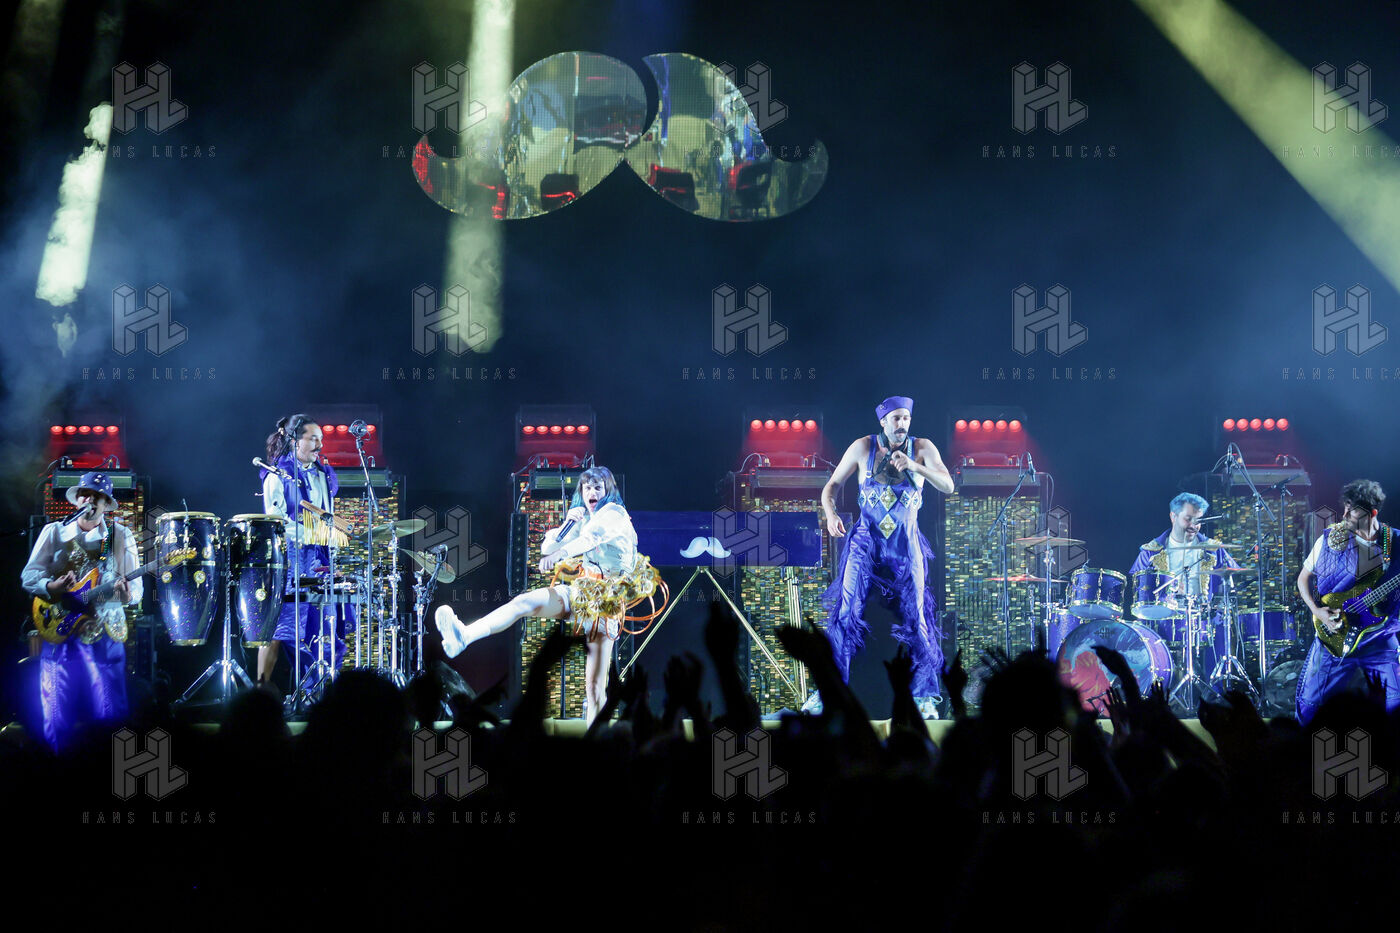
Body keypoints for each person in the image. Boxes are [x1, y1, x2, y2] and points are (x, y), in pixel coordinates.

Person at [435, 466, 656, 725]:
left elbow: (589, 541)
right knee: (523, 602)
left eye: (598, 487)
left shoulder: (614, 514)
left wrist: (561, 554)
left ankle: (597, 741)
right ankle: (464, 636)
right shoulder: (585, 518)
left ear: (608, 490)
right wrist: (567, 525)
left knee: (595, 687)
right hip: (582, 590)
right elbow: (547, 547)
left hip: (606, 602)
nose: (592, 493)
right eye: (587, 488)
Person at [817, 396, 953, 719]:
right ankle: (827, 696)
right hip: (866, 543)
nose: (902, 424)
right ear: (883, 421)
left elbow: (948, 485)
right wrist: (830, 513)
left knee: (917, 618)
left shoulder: (922, 448)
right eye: (896, 418)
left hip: (905, 545)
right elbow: (831, 486)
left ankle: (924, 698)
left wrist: (915, 467)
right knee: (845, 615)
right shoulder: (863, 447)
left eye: (906, 418)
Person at [21, 471, 141, 749]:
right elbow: (29, 576)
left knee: (111, 710)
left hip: (105, 631)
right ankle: (56, 762)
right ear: (77, 500)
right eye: (85, 494)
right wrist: (51, 586)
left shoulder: (120, 535)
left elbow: (136, 591)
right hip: (61, 628)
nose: (90, 500)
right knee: (56, 708)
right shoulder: (54, 532)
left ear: (106, 504)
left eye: (98, 496)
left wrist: (126, 595)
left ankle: (108, 764)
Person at [259, 414, 354, 694]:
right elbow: (276, 521)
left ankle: (319, 693)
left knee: (324, 627)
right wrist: (312, 535)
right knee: (281, 630)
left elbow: (327, 517)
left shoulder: (323, 475)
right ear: (294, 440)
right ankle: (261, 692)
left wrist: (331, 545)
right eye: (313, 439)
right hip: (287, 561)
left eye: (320, 439)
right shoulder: (276, 474)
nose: (319, 445)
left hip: (317, 561)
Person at [1295, 479, 1400, 724]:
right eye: (1345, 508)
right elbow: (1302, 579)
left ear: (1372, 513)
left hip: (1380, 637)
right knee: (1310, 707)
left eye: (1352, 511)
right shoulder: (1330, 540)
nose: (1344, 515)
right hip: (1334, 635)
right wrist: (1317, 611)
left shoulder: (1395, 542)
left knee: (1396, 705)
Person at [1128, 492, 1240, 689]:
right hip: (1162, 620)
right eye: (1188, 519)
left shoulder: (1213, 549)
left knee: (1222, 627)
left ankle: (1215, 693)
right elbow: (1138, 585)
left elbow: (1231, 579)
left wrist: (1219, 601)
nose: (1194, 525)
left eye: (1199, 521)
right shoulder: (1151, 551)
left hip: (1204, 618)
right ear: (1173, 516)